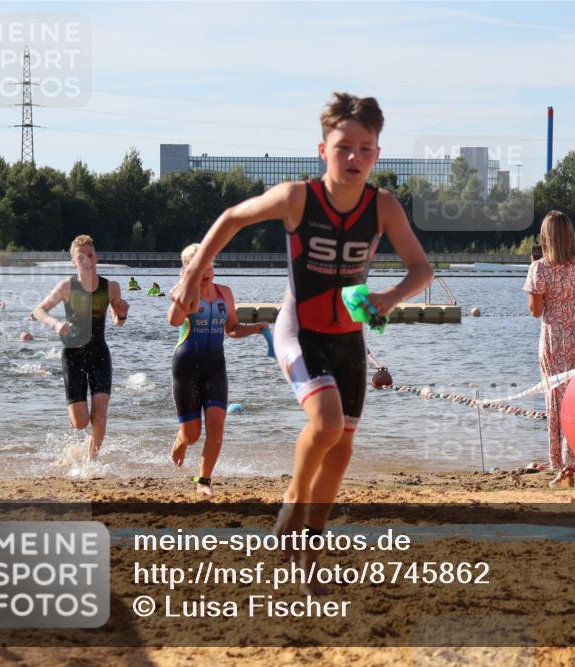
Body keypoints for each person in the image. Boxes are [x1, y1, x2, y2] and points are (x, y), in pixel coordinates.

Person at [170, 93, 433, 576]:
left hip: (349, 335)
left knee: (343, 446)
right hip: (301, 327)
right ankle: (292, 498)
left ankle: (311, 545)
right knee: (327, 423)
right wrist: (192, 276)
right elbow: (232, 218)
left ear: (377, 153)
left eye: (366, 149)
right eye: (343, 147)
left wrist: (389, 299)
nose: (354, 157)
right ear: (322, 149)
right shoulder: (298, 198)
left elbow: (421, 270)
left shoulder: (384, 207)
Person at [168, 243, 268, 496]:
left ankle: (204, 480)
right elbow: (173, 321)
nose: (207, 271)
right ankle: (182, 440)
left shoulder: (225, 293)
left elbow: (231, 328)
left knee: (217, 425)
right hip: (186, 368)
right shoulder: (186, 293)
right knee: (192, 435)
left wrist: (254, 329)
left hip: (215, 367)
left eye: (209, 265)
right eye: (200, 267)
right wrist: (183, 289)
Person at [33, 235, 129, 461]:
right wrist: (56, 324)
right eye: (80, 256)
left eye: (90, 255)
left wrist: (123, 313)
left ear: (96, 258)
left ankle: (91, 461)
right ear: (73, 262)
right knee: (81, 423)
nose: (86, 260)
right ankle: (77, 432)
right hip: (72, 355)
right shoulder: (67, 286)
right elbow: (39, 310)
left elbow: (118, 320)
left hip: (99, 354)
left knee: (100, 414)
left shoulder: (111, 287)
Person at [523, 211, 575, 488]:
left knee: (556, 400)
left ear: (545, 236)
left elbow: (536, 312)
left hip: (554, 340)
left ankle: (559, 462)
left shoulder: (540, 268)